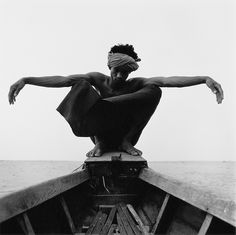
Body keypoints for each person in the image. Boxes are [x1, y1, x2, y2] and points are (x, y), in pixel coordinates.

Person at [8, 44, 224, 157]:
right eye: (116, 71)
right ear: (109, 67)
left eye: (125, 73)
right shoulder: (97, 79)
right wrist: (26, 80)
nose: (120, 77)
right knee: (80, 85)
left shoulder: (136, 83)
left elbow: (168, 81)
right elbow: (64, 80)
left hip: (125, 134)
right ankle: (100, 143)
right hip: (96, 132)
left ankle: (125, 142)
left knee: (154, 90)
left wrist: (203, 79)